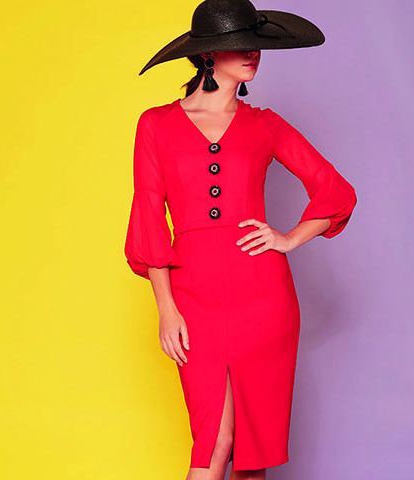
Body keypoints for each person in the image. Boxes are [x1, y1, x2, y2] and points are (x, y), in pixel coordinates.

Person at [125, 1, 357, 478]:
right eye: (240, 44)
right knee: (215, 440)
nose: (253, 53)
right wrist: (166, 308)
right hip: (193, 295)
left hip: (263, 297)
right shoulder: (155, 124)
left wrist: (289, 238)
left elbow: (336, 192)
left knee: (254, 450)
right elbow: (148, 216)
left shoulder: (264, 125)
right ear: (208, 54)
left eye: (256, 45)